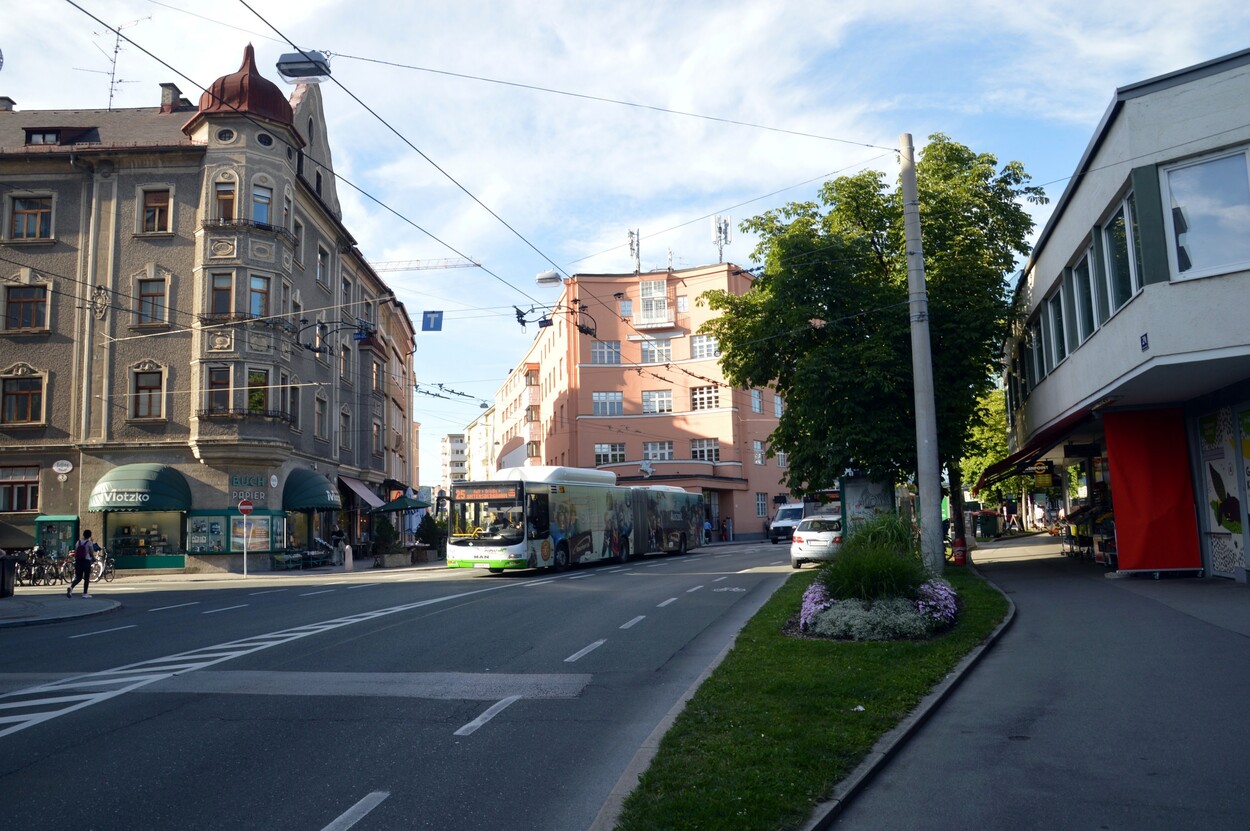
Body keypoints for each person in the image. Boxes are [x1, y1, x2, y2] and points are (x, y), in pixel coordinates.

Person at [67, 529, 96, 598]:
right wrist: (94, 558)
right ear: (89, 536)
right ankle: (85, 593)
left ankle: (71, 587)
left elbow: (76, 552)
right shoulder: (89, 543)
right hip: (86, 561)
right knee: (86, 577)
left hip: (78, 561)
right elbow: (91, 552)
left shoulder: (78, 542)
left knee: (78, 577)